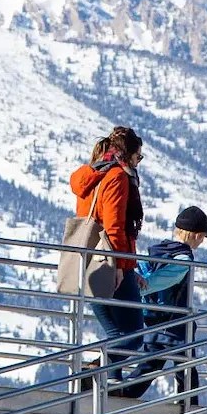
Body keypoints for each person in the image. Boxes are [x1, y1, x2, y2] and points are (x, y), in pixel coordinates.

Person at [68, 126, 146, 390]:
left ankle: (111, 385)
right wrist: (121, 267)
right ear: (129, 154)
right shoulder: (117, 177)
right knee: (136, 335)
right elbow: (113, 227)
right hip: (111, 263)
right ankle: (97, 369)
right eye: (139, 157)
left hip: (88, 263)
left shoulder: (90, 176)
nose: (139, 163)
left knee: (115, 333)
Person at [117, 205, 207, 400]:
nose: (201, 241)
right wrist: (145, 286)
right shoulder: (184, 258)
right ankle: (189, 410)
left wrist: (137, 286)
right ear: (196, 235)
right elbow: (164, 279)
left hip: (153, 319)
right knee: (185, 367)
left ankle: (120, 394)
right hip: (177, 321)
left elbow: (140, 272)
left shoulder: (156, 251)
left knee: (149, 365)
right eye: (202, 237)